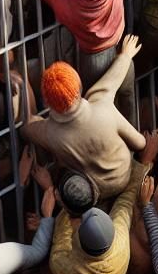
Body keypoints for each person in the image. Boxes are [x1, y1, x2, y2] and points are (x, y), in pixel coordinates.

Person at [21, 38, 146, 200]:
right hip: (123, 174)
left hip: (93, 191)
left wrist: (22, 82)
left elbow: (26, 127)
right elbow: (140, 143)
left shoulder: (49, 132)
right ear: (79, 84)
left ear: (47, 103)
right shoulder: (102, 108)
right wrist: (126, 55)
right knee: (98, 94)